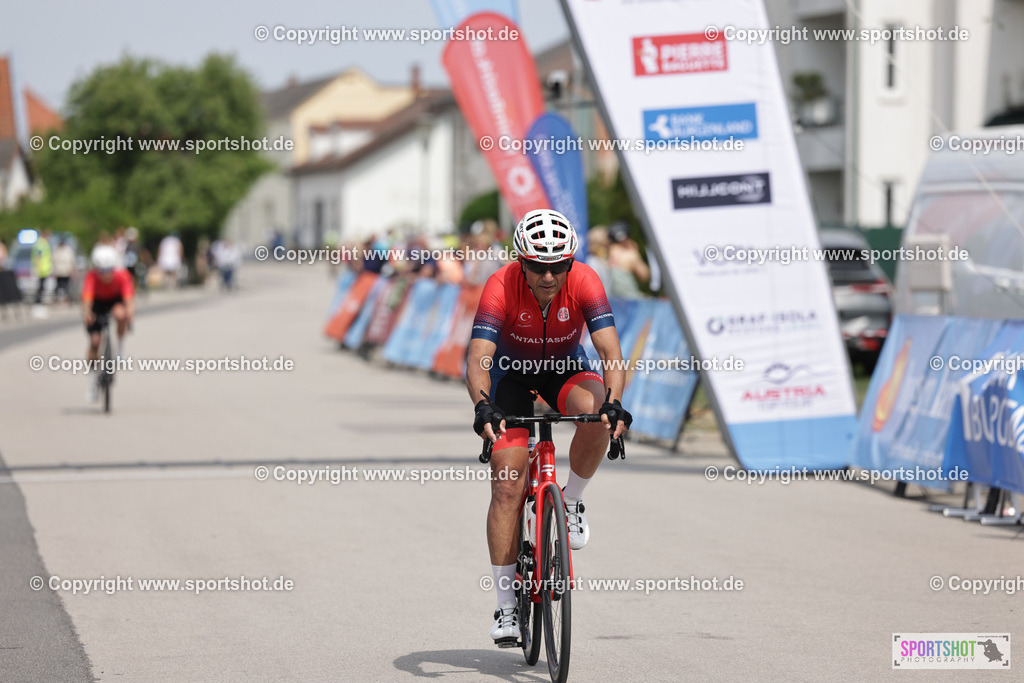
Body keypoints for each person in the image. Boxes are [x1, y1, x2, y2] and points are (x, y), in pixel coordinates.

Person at [466, 209, 633, 646]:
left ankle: (571, 500)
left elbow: (610, 351)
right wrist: (483, 405)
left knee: (598, 414)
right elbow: (479, 357)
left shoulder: (585, 281)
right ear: (521, 261)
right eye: (538, 267)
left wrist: (615, 404)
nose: (548, 275)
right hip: (510, 375)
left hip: (563, 368)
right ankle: (505, 605)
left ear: (570, 262)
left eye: (558, 266)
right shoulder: (500, 284)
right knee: (507, 483)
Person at [81, 245, 134, 402]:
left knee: (121, 314)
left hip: (114, 300)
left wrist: (129, 312)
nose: (106, 275)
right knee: (95, 342)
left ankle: (120, 349)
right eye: (102, 271)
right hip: (97, 303)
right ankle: (92, 385)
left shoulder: (122, 275)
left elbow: (129, 299)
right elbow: (87, 300)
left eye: (109, 270)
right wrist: (87, 313)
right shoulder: (91, 277)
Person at [606, 221, 650, 299]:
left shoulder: (605, 252)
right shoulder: (631, 254)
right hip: (629, 300)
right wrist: (636, 252)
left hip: (609, 300)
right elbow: (644, 276)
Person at [31, 229, 54, 314]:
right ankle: (37, 304)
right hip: (41, 270)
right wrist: (37, 268)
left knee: (42, 288)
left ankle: (39, 304)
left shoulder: (43, 243)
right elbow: (38, 256)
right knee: (40, 288)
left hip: (44, 270)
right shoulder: (41, 244)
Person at [52, 238, 77, 305]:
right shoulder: (56, 250)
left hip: (66, 271)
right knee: (58, 286)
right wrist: (54, 271)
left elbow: (72, 261)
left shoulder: (68, 250)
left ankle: (66, 299)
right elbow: (54, 261)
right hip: (59, 271)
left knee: (67, 286)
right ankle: (56, 299)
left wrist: (73, 271)